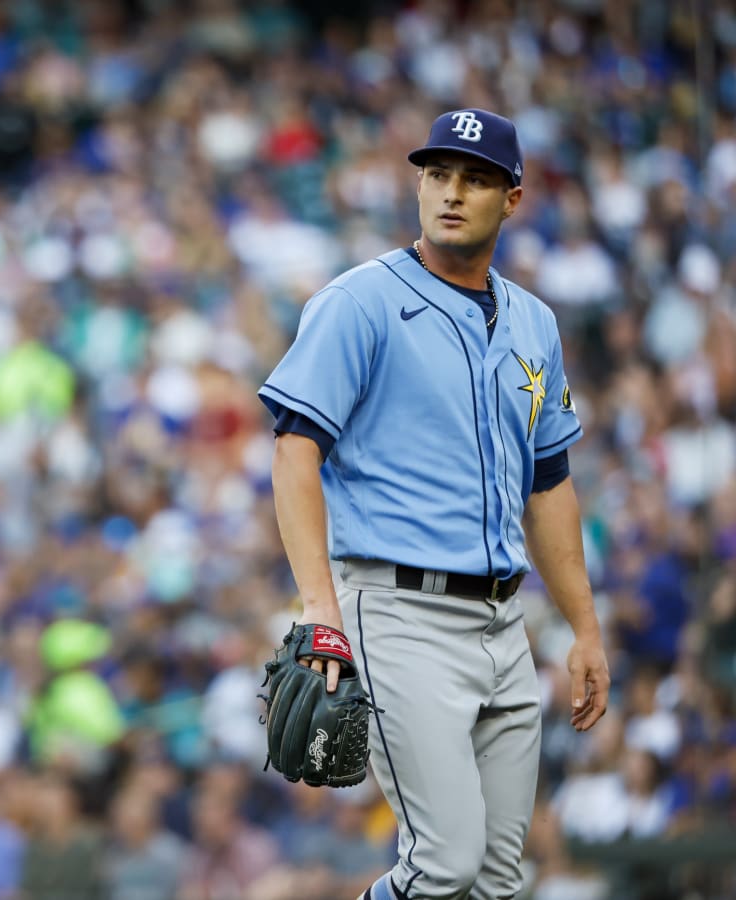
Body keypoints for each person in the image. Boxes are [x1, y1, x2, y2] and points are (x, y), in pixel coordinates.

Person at [259, 108, 611, 899]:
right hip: (396, 614)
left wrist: (585, 627)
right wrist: (322, 612)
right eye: (438, 174)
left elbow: (549, 481)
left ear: (512, 199)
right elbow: (293, 451)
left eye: (476, 179)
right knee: (442, 866)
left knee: (493, 882)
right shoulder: (360, 302)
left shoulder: (535, 323)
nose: (452, 193)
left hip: (503, 623)